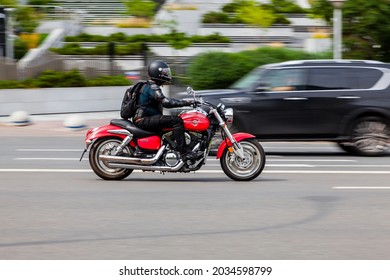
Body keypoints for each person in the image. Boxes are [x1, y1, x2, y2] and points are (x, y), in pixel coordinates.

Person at [133, 60, 198, 160]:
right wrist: (187, 103)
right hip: (144, 120)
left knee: (174, 120)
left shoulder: (149, 86)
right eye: (164, 73)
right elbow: (166, 102)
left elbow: (164, 100)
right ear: (157, 73)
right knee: (177, 121)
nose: (167, 74)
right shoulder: (152, 87)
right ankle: (184, 153)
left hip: (145, 119)